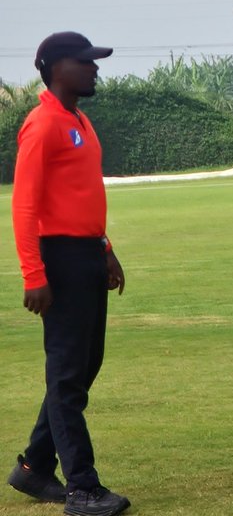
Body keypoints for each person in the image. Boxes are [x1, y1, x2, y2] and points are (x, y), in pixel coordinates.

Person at [8, 33, 130, 516]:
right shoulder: (41, 125)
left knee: (82, 368)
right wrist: (33, 273)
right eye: (87, 62)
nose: (95, 69)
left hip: (84, 254)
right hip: (56, 258)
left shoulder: (78, 119)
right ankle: (81, 487)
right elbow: (24, 206)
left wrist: (105, 249)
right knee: (66, 375)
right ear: (58, 67)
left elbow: (82, 196)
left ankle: (35, 468)